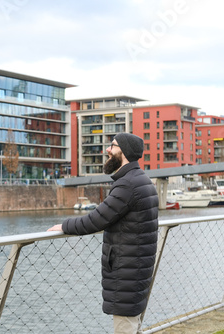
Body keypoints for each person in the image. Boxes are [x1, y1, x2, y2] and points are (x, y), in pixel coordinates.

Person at [47, 133, 159, 334]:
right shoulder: (142, 180)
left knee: (126, 329)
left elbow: (96, 219)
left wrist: (64, 226)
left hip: (127, 272)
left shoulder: (127, 185)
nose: (108, 150)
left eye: (112, 146)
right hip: (137, 270)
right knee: (133, 326)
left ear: (123, 151)